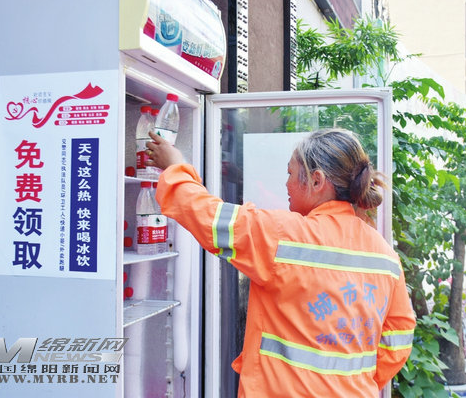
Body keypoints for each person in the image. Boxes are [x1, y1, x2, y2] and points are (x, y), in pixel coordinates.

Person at [146, 128, 416, 397]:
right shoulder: (385, 255)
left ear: (317, 180)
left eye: (290, 173)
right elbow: (399, 337)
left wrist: (176, 167)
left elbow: (208, 217)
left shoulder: (284, 237)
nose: (286, 184)